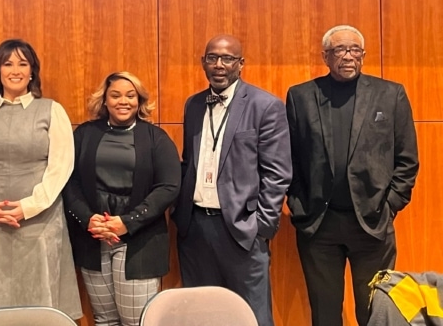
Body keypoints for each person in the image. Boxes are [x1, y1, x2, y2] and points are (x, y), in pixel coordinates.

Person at [286, 25, 419, 326]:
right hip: (319, 224)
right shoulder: (301, 96)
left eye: (354, 50)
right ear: (325, 56)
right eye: (339, 50)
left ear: (363, 55)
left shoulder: (390, 94)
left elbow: (407, 159)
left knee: (376, 313)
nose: (347, 57)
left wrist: (391, 205)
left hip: (372, 224)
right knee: (325, 314)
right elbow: (289, 158)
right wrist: (298, 204)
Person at [0, 39, 82, 323]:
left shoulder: (52, 111)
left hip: (40, 223)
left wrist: (28, 207)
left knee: (41, 302)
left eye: (22, 64)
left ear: (32, 72)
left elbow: (60, 167)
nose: (15, 70)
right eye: (8, 63)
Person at [172, 34, 292, 326]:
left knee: (252, 316)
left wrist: (261, 227)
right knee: (202, 316)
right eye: (212, 58)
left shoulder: (265, 105)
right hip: (196, 229)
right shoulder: (194, 105)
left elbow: (278, 173)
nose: (219, 65)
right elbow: (190, 162)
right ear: (203, 62)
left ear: (241, 63)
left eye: (227, 59)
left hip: (242, 231)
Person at [63, 72, 181, 326]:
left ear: (139, 101)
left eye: (130, 95)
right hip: (93, 239)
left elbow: (168, 187)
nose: (123, 101)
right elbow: (68, 182)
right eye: (115, 95)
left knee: (136, 322)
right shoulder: (84, 135)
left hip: (139, 241)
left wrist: (127, 222)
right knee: (104, 320)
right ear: (104, 100)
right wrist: (88, 219)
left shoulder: (156, 138)